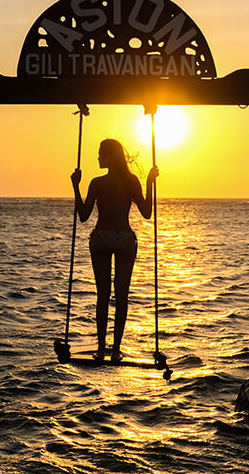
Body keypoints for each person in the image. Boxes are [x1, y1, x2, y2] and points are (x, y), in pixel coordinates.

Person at [71, 138, 158, 362]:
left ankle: (101, 350)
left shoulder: (96, 183)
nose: (98, 158)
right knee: (121, 296)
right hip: (124, 239)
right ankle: (116, 351)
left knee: (103, 296)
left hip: (101, 237)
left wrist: (75, 186)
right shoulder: (131, 181)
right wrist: (149, 182)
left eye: (102, 154)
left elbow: (83, 216)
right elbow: (147, 212)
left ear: (111, 157)